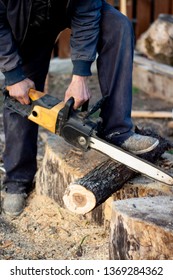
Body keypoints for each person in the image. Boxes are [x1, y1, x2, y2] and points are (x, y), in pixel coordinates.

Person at [0, 0, 159, 217]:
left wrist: (81, 74)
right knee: (21, 94)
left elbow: (87, 9)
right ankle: (17, 179)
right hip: (21, 15)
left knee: (118, 26)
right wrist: (13, 74)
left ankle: (117, 129)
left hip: (67, 6)